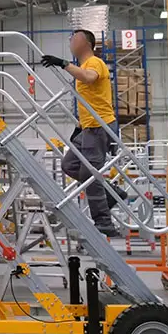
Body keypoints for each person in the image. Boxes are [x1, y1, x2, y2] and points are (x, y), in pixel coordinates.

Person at [41, 29, 120, 237]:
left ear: (85, 43)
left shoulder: (94, 63)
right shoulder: (83, 66)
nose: (70, 41)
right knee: (69, 165)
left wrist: (63, 63)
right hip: (87, 127)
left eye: (73, 38)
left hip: (99, 126)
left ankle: (104, 222)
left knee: (90, 174)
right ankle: (111, 192)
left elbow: (89, 78)